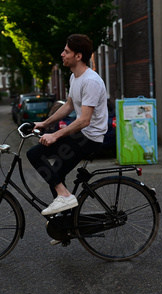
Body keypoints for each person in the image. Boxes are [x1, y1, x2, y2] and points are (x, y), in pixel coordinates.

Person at [27, 34, 108, 218]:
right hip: (83, 135)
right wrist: (45, 124)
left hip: (89, 138)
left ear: (78, 56)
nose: (62, 54)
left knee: (34, 153)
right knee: (54, 176)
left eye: (66, 51)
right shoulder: (75, 78)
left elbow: (84, 120)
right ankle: (66, 225)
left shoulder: (91, 81)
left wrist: (55, 135)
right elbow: (69, 105)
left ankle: (64, 196)